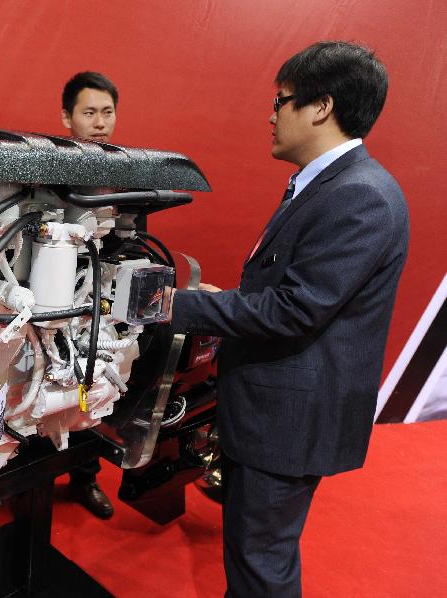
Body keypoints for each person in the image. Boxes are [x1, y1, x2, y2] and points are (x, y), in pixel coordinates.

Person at [170, 42, 408, 597]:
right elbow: (296, 292)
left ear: (320, 107)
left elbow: (294, 311)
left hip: (288, 422)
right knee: (254, 556)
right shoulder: (335, 184)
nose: (270, 115)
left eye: (281, 101)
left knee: (260, 566)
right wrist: (222, 298)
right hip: (277, 410)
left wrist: (168, 305)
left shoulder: (359, 196)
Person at [60, 71, 118, 519]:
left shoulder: (125, 169)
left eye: (107, 112)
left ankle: (85, 475)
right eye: (89, 113)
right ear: (67, 118)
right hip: (51, 291)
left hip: (97, 296)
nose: (100, 122)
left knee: (88, 383)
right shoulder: (49, 167)